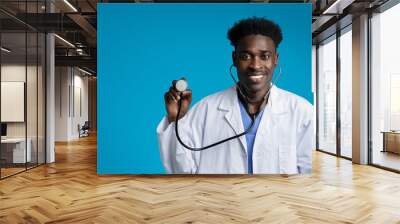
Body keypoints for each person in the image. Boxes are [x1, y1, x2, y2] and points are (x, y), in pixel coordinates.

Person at [157, 17, 314, 174]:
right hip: (220, 198)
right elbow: (182, 171)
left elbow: (307, 174)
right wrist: (175, 118)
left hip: (277, 198)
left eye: (265, 56)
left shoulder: (301, 110)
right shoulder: (206, 109)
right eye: (246, 56)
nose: (255, 65)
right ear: (234, 58)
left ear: (275, 60)